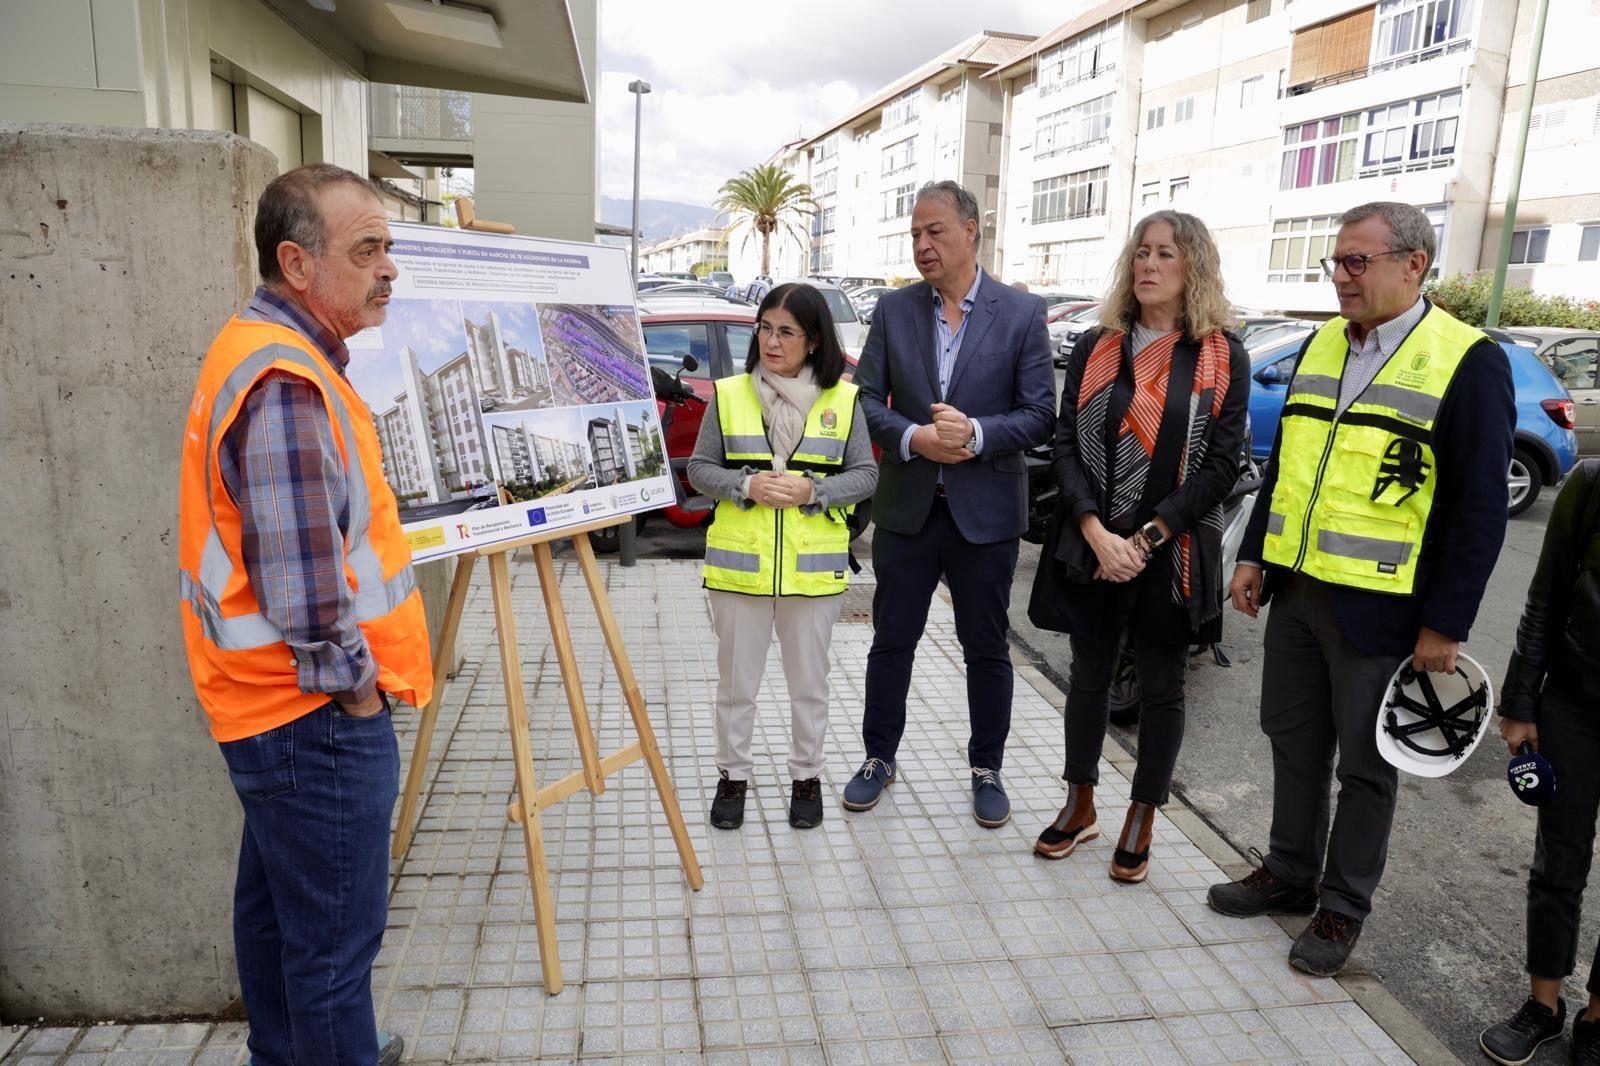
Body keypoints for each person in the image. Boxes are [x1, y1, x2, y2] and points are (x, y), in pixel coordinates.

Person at [1207, 201, 1514, 977]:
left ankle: (1342, 908)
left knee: (1367, 768)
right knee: (1291, 741)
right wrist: (1253, 557)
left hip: (1387, 610)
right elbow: (1287, 468)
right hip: (1299, 590)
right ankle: (1287, 872)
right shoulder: (1319, 345)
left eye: (1357, 262)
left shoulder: (1466, 359)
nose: (1342, 276)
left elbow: (1479, 508)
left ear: (1413, 265)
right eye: (1335, 263)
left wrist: (1445, 624)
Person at [177, 164, 433, 1066]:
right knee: (331, 952)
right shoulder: (287, 382)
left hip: (266, 710)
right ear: (296, 261)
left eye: (388, 248)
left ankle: (295, 1054)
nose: (388, 269)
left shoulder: (264, 348)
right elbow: (304, 597)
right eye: (366, 250)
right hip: (312, 717)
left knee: (284, 921)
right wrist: (357, 698)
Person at [1032, 211, 1250, 881]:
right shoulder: (1101, 344)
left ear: (1194, 269)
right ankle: (1080, 803)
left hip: (1170, 548)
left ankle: (1142, 814)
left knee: (1160, 687)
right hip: (1092, 540)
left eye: (1166, 255)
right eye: (1142, 253)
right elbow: (1065, 441)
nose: (1148, 265)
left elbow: (1221, 464)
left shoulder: (1222, 354)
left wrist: (1150, 534)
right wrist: (1097, 532)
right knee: (1088, 678)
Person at [845, 180, 1056, 827]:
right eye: (914, 234)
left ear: (972, 230)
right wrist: (915, 439)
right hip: (909, 509)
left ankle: (986, 768)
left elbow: (1041, 414)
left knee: (986, 648)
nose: (922, 244)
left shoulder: (1021, 315)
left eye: (934, 231)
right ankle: (879, 758)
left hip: (985, 515)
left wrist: (977, 436)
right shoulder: (895, 310)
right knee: (892, 642)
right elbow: (866, 400)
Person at [687, 282, 878, 830]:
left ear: (813, 340)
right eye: (765, 328)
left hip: (810, 577)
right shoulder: (728, 395)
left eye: (786, 332)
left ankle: (807, 778)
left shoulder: (843, 400)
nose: (772, 341)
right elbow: (699, 469)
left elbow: (866, 475)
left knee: (809, 690)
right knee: (735, 689)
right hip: (739, 573)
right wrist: (745, 486)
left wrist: (812, 491)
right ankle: (732, 778)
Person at [1480, 459, 1600, 1065]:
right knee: (1559, 862)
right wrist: (1521, 703)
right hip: (1576, 703)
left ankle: (1598, 1019)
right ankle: (1543, 1006)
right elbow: (1546, 595)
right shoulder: (1593, 483)